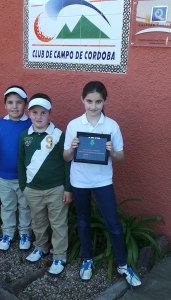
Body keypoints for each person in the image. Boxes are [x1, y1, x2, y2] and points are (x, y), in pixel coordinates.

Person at [63, 81, 141, 286]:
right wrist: (71, 148)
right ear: (82, 100)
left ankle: (123, 265)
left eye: (98, 101)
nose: (93, 106)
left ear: (105, 101)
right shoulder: (74, 125)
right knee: (83, 221)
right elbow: (66, 157)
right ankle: (87, 261)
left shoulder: (111, 125)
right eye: (89, 101)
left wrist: (112, 151)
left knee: (113, 223)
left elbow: (120, 157)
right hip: (79, 180)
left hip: (102, 180)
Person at [18, 93, 72, 275]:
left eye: (43, 113)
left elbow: (66, 163)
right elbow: (20, 162)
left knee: (58, 224)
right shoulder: (25, 136)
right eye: (34, 112)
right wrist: (24, 186)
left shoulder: (58, 135)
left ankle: (59, 255)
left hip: (56, 189)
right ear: (29, 113)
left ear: (49, 114)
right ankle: (41, 247)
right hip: (32, 190)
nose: (38, 117)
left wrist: (67, 188)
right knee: (38, 222)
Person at [0, 85, 32, 251]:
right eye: (10, 102)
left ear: (25, 104)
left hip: (24, 177)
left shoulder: (30, 124)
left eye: (19, 102)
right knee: (7, 206)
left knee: (24, 206)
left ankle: (24, 233)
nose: (14, 106)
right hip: (4, 176)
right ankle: (7, 233)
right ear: (5, 105)